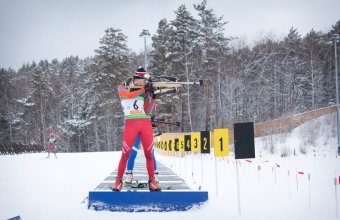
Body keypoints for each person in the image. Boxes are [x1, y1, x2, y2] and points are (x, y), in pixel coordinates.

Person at [112, 67, 161, 191]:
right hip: (131, 124)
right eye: (143, 81)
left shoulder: (143, 91)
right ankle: (118, 181)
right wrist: (142, 90)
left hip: (144, 123)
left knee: (149, 154)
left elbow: (148, 112)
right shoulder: (122, 87)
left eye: (145, 82)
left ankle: (152, 181)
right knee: (125, 155)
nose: (144, 83)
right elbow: (128, 95)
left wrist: (153, 99)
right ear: (137, 79)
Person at [124, 116, 159, 185]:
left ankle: (154, 176)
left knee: (150, 154)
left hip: (146, 130)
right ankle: (129, 175)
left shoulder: (150, 105)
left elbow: (153, 118)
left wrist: (154, 122)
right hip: (135, 131)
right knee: (132, 153)